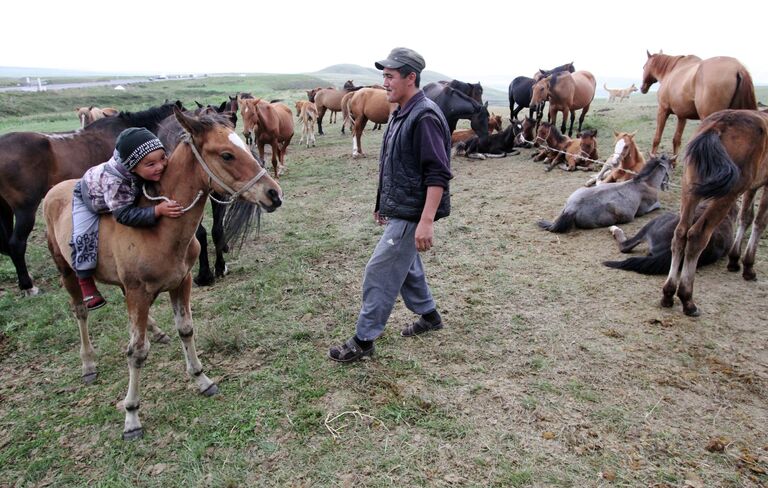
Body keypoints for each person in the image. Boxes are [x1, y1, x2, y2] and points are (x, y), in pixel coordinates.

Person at [329, 47, 453, 363]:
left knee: (380, 271)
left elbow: (437, 173)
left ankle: (363, 340)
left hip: (414, 210)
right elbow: (393, 164)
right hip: (402, 206)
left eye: (390, 76)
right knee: (407, 264)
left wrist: (426, 221)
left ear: (411, 77)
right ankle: (430, 317)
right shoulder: (400, 111)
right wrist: (383, 204)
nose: (384, 82)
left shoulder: (423, 116)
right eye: (383, 75)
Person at [71, 127, 183, 310]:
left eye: (163, 158)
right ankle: (86, 284)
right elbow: (123, 214)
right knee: (83, 237)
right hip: (89, 198)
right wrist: (157, 211)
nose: (161, 166)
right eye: (151, 164)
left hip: (129, 189)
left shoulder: (144, 165)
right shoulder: (114, 181)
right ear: (133, 166)